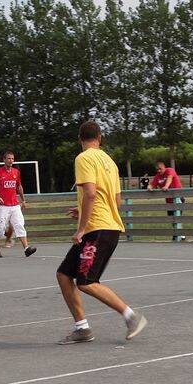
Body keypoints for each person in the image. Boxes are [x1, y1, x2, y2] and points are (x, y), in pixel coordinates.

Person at [57, 121, 146, 344]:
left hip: (96, 229)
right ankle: (82, 328)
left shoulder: (83, 158)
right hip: (108, 226)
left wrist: (81, 229)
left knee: (86, 281)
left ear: (80, 139)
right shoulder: (110, 162)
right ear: (100, 137)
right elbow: (115, 199)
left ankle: (131, 316)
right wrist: (84, 211)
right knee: (64, 275)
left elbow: (90, 194)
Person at [0, 150, 36, 258]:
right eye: (9, 158)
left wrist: (23, 200)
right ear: (4, 160)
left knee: (19, 224)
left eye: (12, 158)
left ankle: (26, 248)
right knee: (0, 227)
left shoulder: (16, 172)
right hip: (3, 206)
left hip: (14, 204)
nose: (11, 160)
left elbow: (19, 187)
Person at [149, 159, 184, 241]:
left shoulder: (170, 170)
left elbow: (170, 178)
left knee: (177, 216)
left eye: (160, 169)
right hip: (168, 200)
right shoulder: (158, 176)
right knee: (171, 217)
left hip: (178, 197)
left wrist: (166, 186)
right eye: (157, 169)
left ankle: (180, 235)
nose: (159, 170)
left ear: (164, 167)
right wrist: (150, 188)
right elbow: (152, 184)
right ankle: (177, 233)